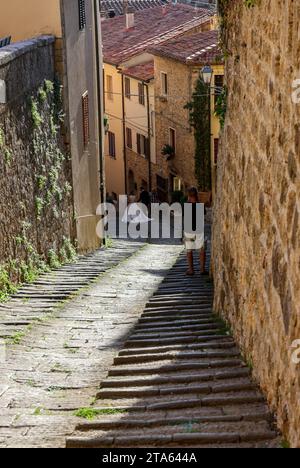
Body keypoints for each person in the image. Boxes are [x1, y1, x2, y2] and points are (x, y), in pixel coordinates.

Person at [183, 187, 207, 276]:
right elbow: (203, 214)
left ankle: (191, 270)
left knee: (189, 249)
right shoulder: (200, 205)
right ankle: (202, 269)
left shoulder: (186, 205)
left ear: (189, 195)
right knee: (201, 249)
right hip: (199, 227)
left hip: (189, 228)